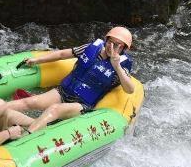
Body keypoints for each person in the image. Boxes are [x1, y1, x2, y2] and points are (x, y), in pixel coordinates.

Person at [7, 27, 135, 133]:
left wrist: (116, 65)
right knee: (31, 102)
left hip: (82, 104)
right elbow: (62, 54)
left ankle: (26, 137)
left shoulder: (122, 65)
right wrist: (36, 60)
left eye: (117, 45)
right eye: (110, 42)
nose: (111, 47)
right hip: (63, 91)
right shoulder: (92, 47)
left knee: (54, 110)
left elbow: (130, 89)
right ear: (106, 40)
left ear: (123, 48)